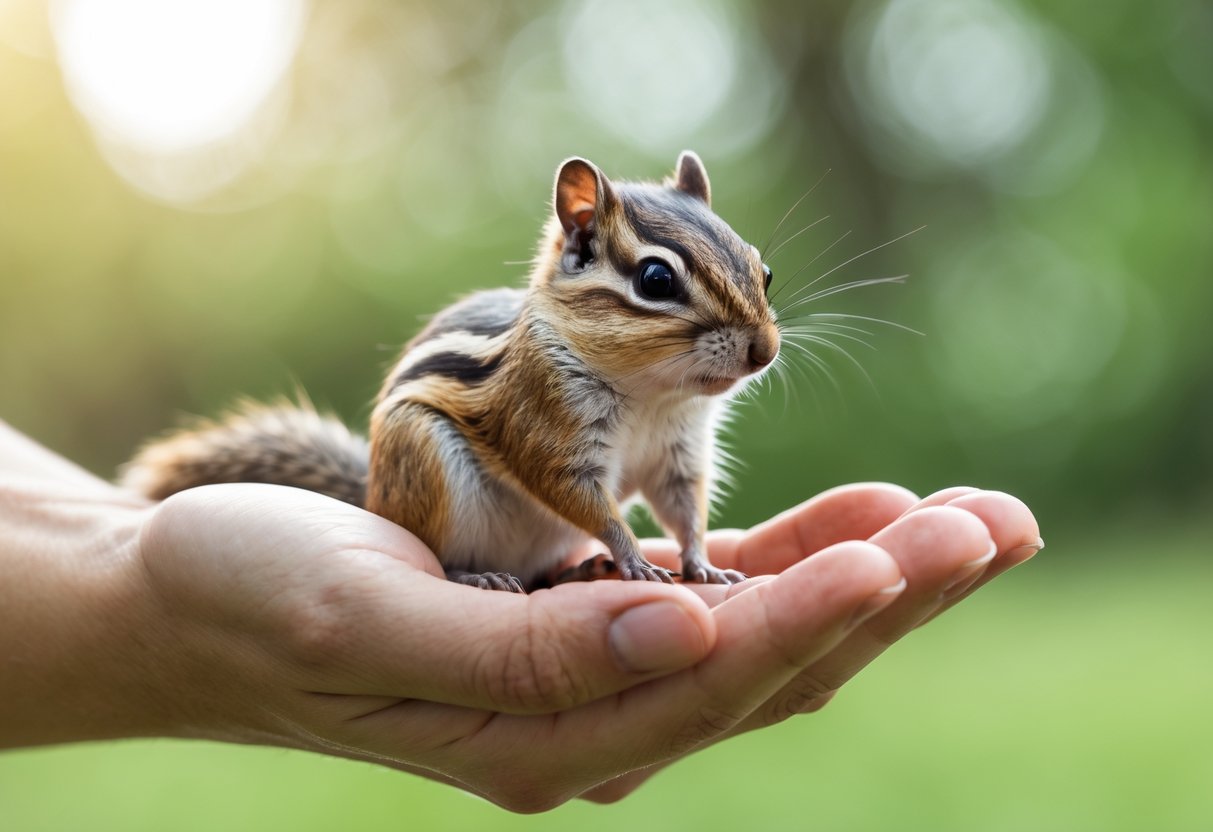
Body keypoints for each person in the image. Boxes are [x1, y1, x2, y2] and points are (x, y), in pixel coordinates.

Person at [0, 419, 1041, 813]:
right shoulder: (550, 373)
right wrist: (130, 583)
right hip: (462, 501)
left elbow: (664, 473)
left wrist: (677, 552)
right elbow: (564, 459)